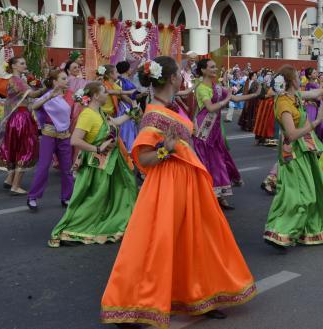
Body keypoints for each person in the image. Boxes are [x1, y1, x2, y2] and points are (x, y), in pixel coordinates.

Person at [101, 56, 256, 327]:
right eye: (178, 76)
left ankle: (202, 297)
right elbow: (145, 158)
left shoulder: (171, 106)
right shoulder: (153, 114)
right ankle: (133, 304)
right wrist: (166, 149)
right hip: (167, 183)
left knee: (198, 239)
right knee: (156, 243)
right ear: (172, 78)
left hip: (190, 181)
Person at [47, 81, 137, 246]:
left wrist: (131, 112)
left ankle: (100, 224)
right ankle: (71, 230)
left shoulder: (100, 112)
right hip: (96, 166)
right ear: (95, 95)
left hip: (107, 164)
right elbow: (75, 140)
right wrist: (97, 148)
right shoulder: (87, 115)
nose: (107, 93)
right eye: (104, 91)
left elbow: (114, 123)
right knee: (91, 200)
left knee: (104, 199)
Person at [263, 65, 323, 252]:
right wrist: (315, 122)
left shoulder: (294, 96)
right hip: (292, 152)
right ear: (291, 81)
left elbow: (314, 93)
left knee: (312, 191)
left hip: (305, 150)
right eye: (297, 76)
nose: (300, 78)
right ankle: (278, 232)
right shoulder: (283, 103)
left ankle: (308, 231)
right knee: (296, 195)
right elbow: (292, 133)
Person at [193, 59, 259, 209]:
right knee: (206, 162)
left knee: (218, 161)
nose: (215, 69)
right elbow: (210, 108)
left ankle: (219, 195)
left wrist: (254, 95)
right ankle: (207, 197)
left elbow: (235, 98)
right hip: (204, 129)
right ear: (203, 70)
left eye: (215, 66)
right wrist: (227, 99)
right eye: (212, 67)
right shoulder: (202, 88)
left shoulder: (217, 87)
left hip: (215, 129)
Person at [0, 57, 45, 195]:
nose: (25, 65)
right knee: (26, 149)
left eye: (24, 62)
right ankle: (16, 186)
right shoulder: (17, 81)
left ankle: (9, 180)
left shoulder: (16, 80)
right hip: (21, 118)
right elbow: (33, 94)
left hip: (15, 118)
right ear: (14, 66)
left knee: (16, 148)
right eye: (22, 63)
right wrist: (48, 88)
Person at [26, 70, 75, 211]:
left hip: (65, 136)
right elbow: (32, 107)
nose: (67, 81)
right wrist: (48, 98)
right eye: (63, 78)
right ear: (55, 81)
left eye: (67, 78)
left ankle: (66, 197)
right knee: (43, 167)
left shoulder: (71, 95)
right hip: (49, 135)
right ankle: (33, 197)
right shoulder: (48, 95)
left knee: (67, 169)